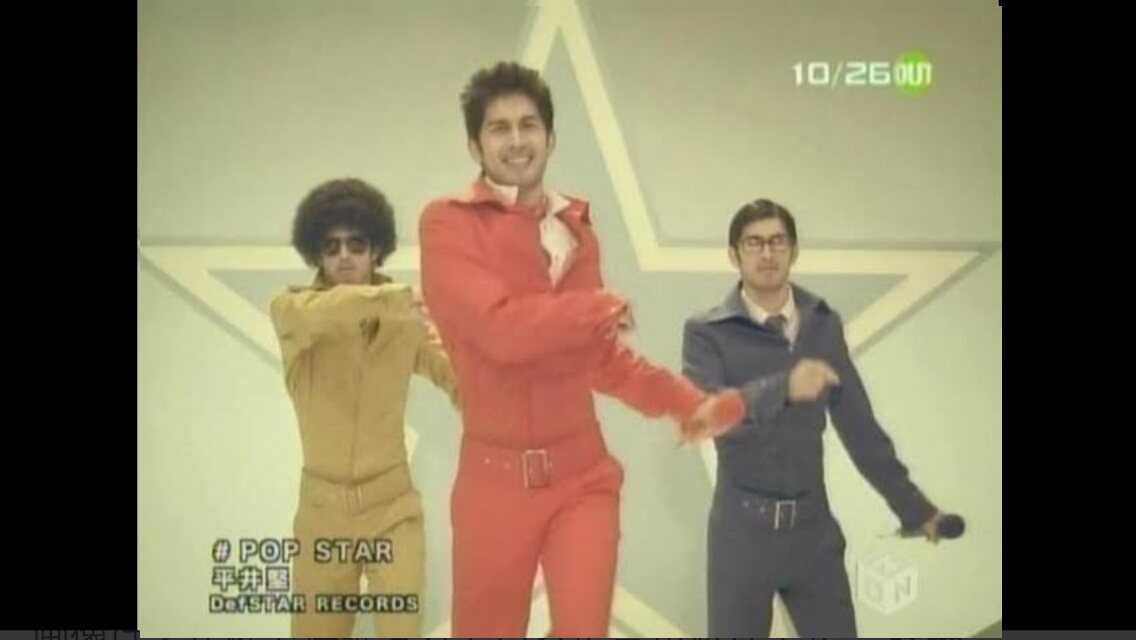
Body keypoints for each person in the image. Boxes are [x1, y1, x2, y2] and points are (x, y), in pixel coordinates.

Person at [418, 61, 745, 637]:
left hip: (583, 476)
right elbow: (500, 332)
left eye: (529, 125)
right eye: (499, 128)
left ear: (550, 137)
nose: (516, 140)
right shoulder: (447, 224)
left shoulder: (575, 229)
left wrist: (688, 402)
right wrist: (595, 307)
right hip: (494, 484)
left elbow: (598, 359)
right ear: (475, 145)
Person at [683, 198, 948, 638]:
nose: (767, 253)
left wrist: (915, 508)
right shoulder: (707, 332)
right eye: (754, 243)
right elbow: (705, 416)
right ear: (734, 254)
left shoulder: (822, 324)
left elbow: (859, 425)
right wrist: (782, 388)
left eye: (777, 241)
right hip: (741, 534)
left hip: (813, 532)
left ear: (794, 250)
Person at [269, 178, 458, 638]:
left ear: (377, 250)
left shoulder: (404, 322)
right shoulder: (293, 311)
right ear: (316, 254)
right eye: (331, 246)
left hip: (393, 511)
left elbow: (456, 374)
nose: (344, 256)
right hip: (322, 517)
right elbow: (333, 310)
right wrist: (400, 299)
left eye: (357, 243)